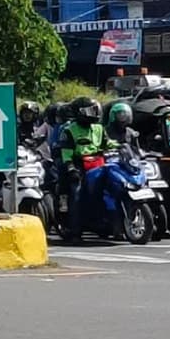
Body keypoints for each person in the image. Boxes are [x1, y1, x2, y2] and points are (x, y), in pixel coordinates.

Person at [58, 96, 112, 243]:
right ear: (80, 112)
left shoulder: (99, 128)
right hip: (79, 165)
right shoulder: (69, 130)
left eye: (96, 110)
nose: (95, 113)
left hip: (99, 163)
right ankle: (75, 230)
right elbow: (66, 154)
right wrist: (71, 168)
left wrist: (122, 146)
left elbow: (108, 144)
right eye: (90, 110)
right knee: (77, 192)